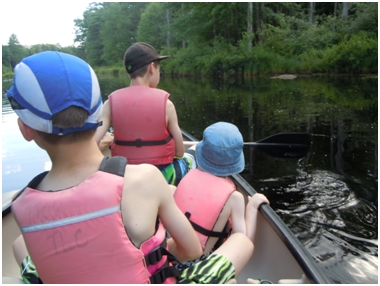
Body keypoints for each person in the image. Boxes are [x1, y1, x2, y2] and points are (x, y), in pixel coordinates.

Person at [8, 51, 269, 284]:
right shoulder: (146, 179)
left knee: (20, 245)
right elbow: (191, 252)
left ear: (26, 129)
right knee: (241, 242)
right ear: (97, 113)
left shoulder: (22, 206)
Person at [94, 42, 194, 186]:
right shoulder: (167, 104)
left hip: (125, 177)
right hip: (160, 179)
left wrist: (108, 142)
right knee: (192, 156)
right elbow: (179, 151)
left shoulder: (110, 104)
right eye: (160, 70)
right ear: (152, 68)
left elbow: (91, 145)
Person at [174, 122, 270, 270]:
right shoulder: (234, 197)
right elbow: (242, 244)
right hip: (196, 265)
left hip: (170, 253)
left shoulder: (189, 174)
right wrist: (252, 206)